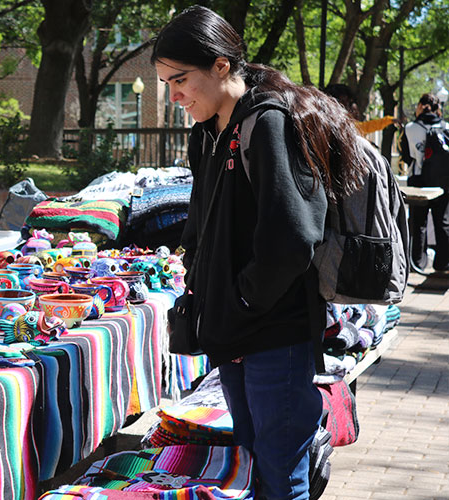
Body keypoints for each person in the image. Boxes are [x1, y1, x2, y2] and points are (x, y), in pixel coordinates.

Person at [152, 6, 369, 499]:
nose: (174, 95)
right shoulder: (207, 132)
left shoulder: (268, 123)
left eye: (180, 80)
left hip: (274, 331)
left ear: (221, 65)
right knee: (252, 460)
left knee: (280, 474)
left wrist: (243, 300)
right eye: (166, 84)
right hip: (232, 329)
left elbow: (292, 236)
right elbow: (203, 224)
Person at [399, 93, 449, 273]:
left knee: (418, 224)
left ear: (420, 106)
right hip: (443, 181)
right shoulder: (446, 127)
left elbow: (406, 157)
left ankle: (417, 262)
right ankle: (443, 263)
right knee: (442, 222)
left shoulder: (410, 128)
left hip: (418, 180)